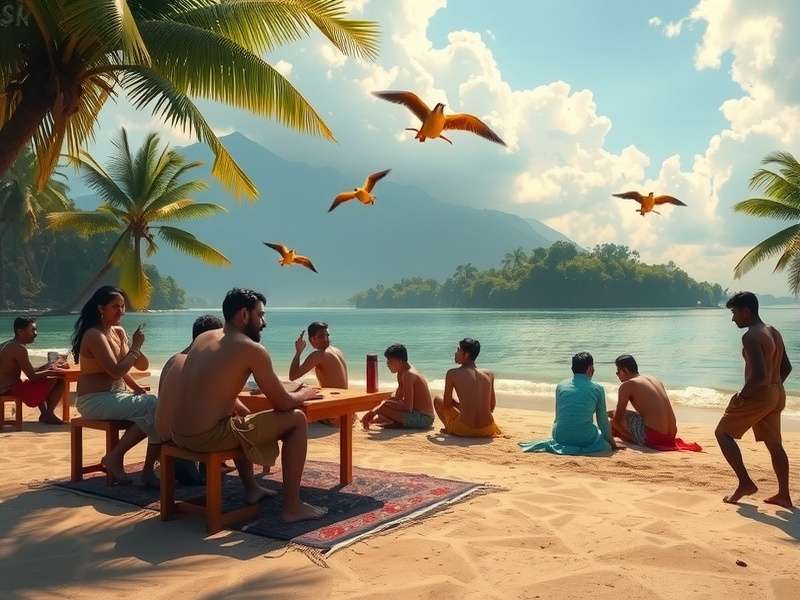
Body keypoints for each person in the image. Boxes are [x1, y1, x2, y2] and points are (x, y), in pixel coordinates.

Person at [171, 288, 327, 522]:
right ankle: (293, 507)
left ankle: (252, 488)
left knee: (239, 421)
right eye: (260, 315)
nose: (264, 322)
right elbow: (283, 403)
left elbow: (212, 390)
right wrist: (304, 394)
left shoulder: (204, 338)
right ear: (244, 315)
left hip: (178, 432)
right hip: (205, 436)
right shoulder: (252, 349)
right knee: (296, 419)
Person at [72, 286, 161, 487]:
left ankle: (146, 471)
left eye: (122, 306)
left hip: (116, 396)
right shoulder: (94, 335)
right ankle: (116, 457)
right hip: (93, 400)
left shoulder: (118, 332)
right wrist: (136, 347)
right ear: (101, 308)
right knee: (153, 405)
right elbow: (115, 370)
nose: (121, 311)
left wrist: (135, 384)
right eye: (115, 307)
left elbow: (139, 365)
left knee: (154, 411)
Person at [715, 292, 793, 508]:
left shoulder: (751, 336)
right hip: (777, 392)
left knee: (722, 433)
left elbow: (758, 375)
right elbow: (786, 367)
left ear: (746, 311)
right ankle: (784, 495)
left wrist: (742, 396)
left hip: (760, 394)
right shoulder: (773, 331)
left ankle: (745, 482)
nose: (733, 318)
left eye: (734, 312)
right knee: (775, 444)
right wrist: (773, 389)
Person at [155, 314, 224, 485]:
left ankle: (200, 466)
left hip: (163, 433)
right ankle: (210, 465)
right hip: (179, 437)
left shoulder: (175, 359)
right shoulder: (194, 364)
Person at [520, 352, 616, 455]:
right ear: (590, 369)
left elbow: (558, 416)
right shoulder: (598, 389)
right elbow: (602, 420)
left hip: (559, 437)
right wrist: (611, 442)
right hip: (585, 439)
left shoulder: (561, 385)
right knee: (598, 434)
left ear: (572, 368)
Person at [609, 354, 701, 452]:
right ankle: (630, 437)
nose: (617, 374)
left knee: (611, 418)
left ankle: (634, 440)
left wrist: (629, 437)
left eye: (618, 371)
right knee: (615, 417)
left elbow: (617, 420)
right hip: (671, 435)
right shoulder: (654, 379)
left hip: (654, 437)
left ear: (625, 370)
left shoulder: (627, 385)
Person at [0, 317, 67, 424]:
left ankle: (45, 414)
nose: (36, 333)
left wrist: (49, 365)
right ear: (20, 331)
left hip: (6, 386)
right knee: (57, 380)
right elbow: (33, 376)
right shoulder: (19, 349)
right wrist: (52, 371)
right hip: (8, 389)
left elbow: (30, 370)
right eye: (33, 330)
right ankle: (48, 414)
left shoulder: (7, 344)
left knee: (41, 379)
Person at [434, 338, 501, 437]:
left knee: (437, 399)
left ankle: (449, 428)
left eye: (458, 350)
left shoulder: (452, 373)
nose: (455, 353)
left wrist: (457, 404)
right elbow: (491, 407)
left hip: (465, 429)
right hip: (488, 429)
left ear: (466, 355)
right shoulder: (489, 374)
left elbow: (447, 405)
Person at [361, 344, 435, 430]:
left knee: (383, 408)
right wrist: (379, 406)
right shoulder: (401, 372)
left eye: (390, 360)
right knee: (381, 405)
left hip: (424, 418)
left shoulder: (409, 375)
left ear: (400, 361)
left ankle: (394, 422)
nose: (387, 364)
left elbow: (408, 407)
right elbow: (398, 397)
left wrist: (380, 408)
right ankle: (393, 422)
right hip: (415, 413)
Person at [289, 321, 348, 426]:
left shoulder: (319, 355)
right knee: (305, 388)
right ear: (312, 339)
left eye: (327, 335)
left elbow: (292, 376)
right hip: (346, 411)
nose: (326, 339)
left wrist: (298, 352)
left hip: (335, 416)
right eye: (321, 336)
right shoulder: (336, 350)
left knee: (295, 398)